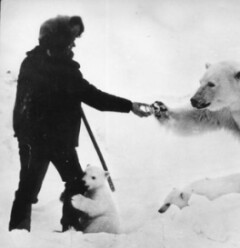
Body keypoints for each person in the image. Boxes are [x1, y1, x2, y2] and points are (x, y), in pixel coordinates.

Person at [9, 15, 152, 232]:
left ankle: (70, 230)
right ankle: (21, 238)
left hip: (53, 141)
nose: (74, 44)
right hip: (39, 141)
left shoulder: (39, 63)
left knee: (73, 183)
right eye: (70, 40)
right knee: (32, 189)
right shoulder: (60, 69)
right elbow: (95, 98)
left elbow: (88, 96)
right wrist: (130, 106)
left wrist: (129, 105)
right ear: (57, 40)